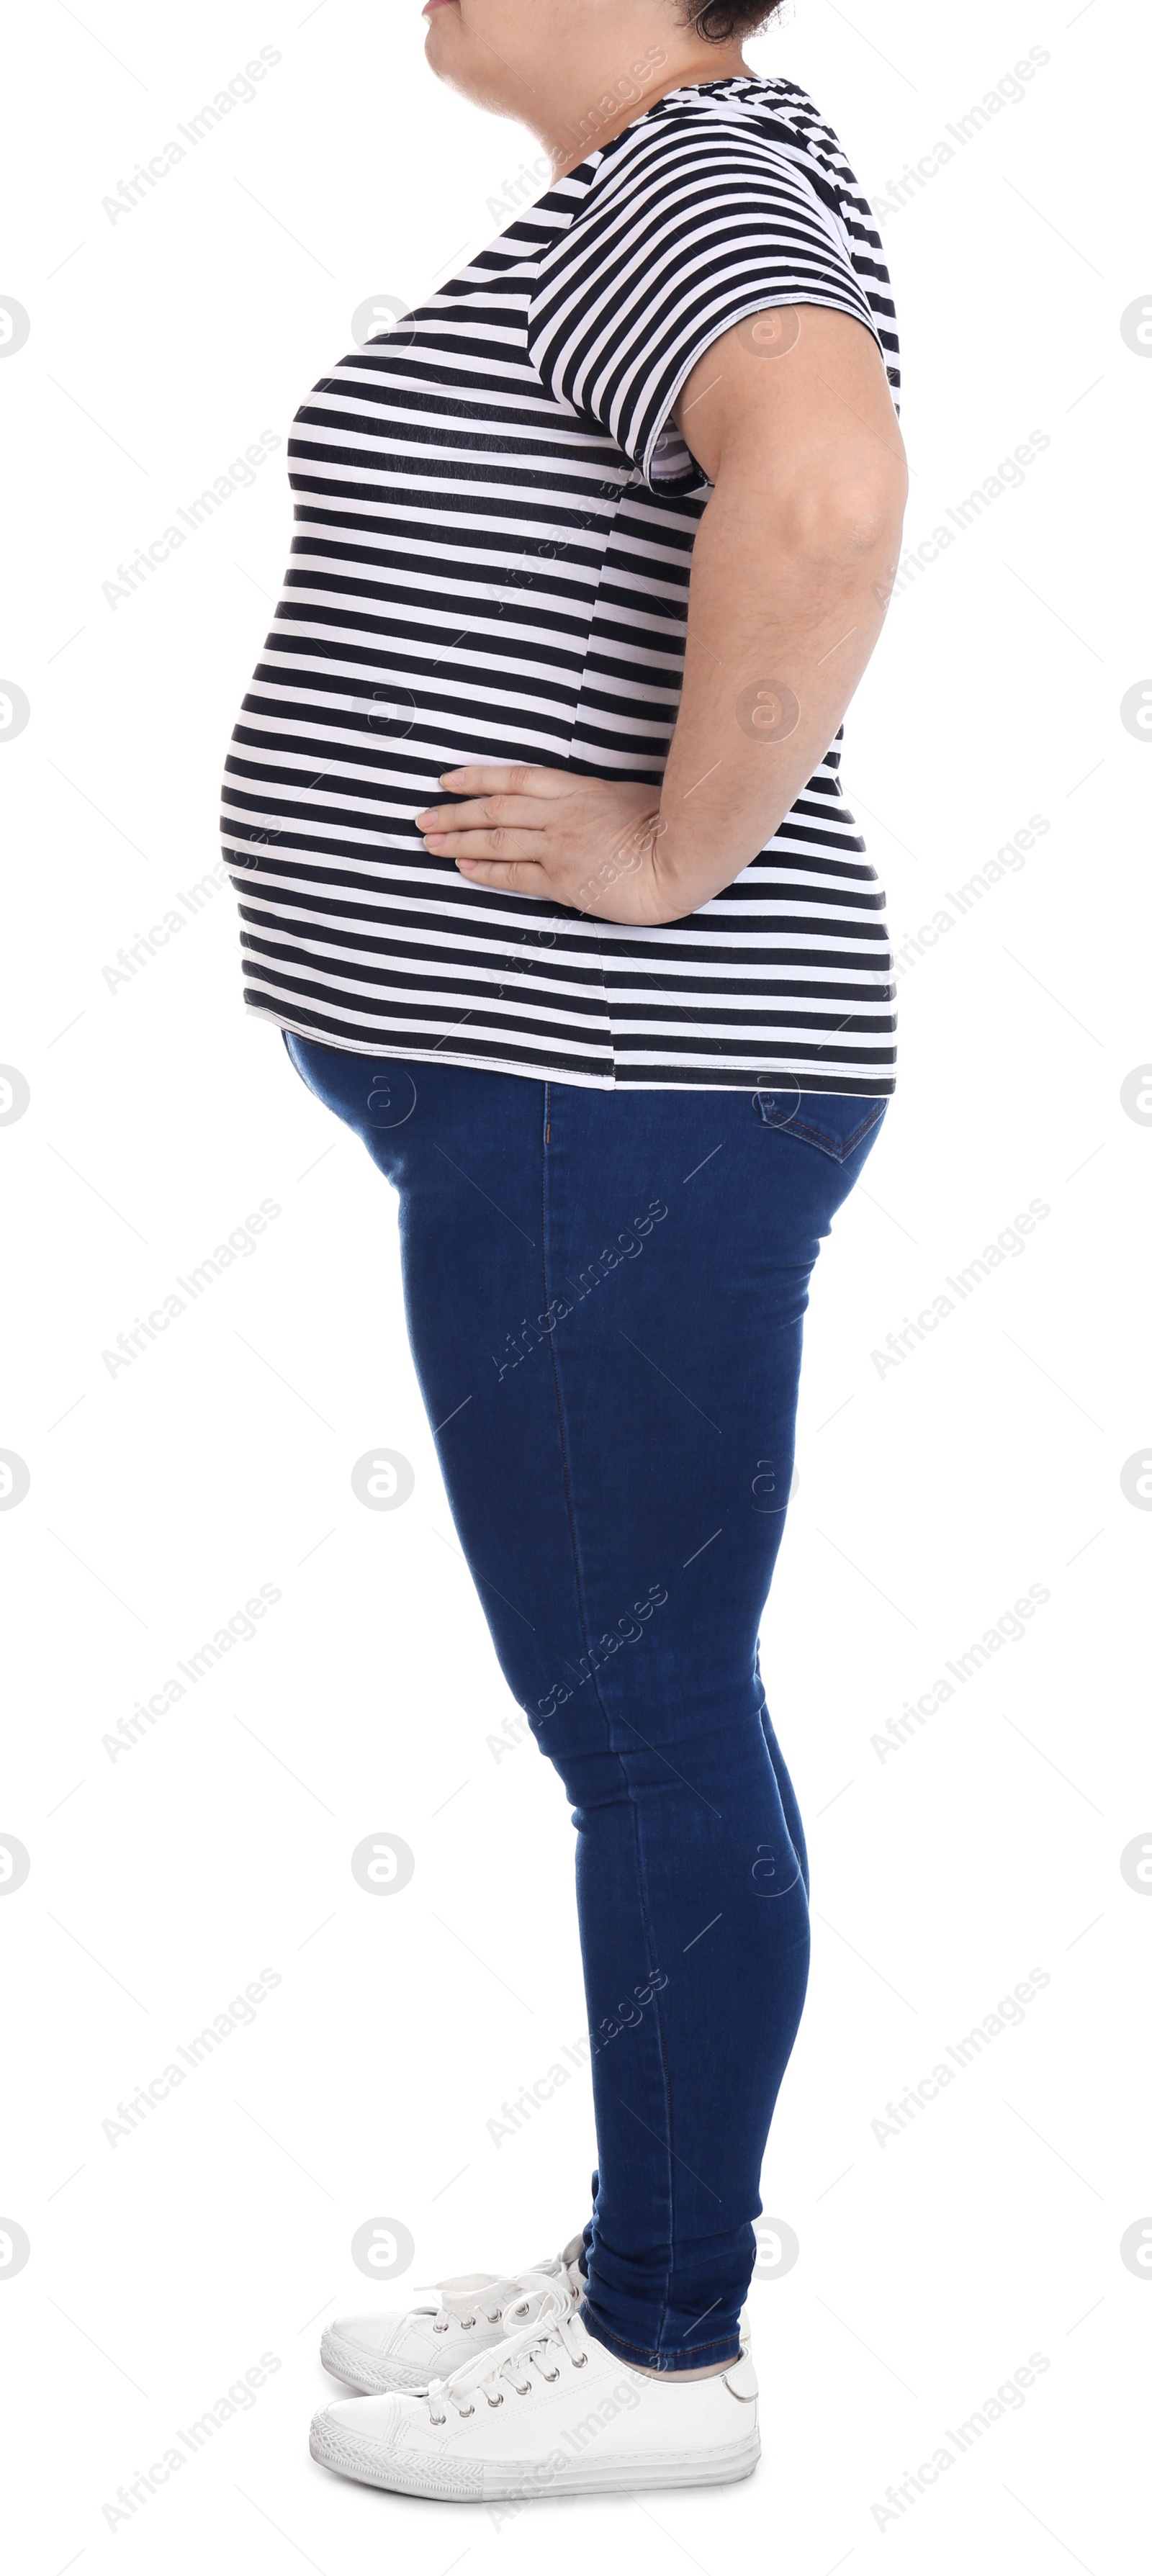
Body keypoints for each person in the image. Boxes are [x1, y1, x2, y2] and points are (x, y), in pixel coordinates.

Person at [220, 0, 907, 2505]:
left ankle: (667, 2348)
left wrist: (669, 852)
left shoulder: (698, 187)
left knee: (644, 1716)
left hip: (615, 1105)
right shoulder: (662, 178)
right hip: (570, 1112)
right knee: (645, 1706)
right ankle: (649, 2251)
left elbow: (821, 491)